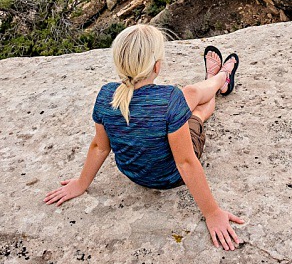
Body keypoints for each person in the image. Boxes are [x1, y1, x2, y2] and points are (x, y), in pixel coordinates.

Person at [44, 24, 243, 251]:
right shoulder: (170, 99)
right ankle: (221, 78)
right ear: (157, 66)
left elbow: (100, 147)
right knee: (195, 108)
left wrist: (81, 184)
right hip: (169, 176)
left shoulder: (106, 96)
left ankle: (216, 79)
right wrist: (212, 213)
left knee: (187, 97)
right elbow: (185, 162)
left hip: (135, 175)